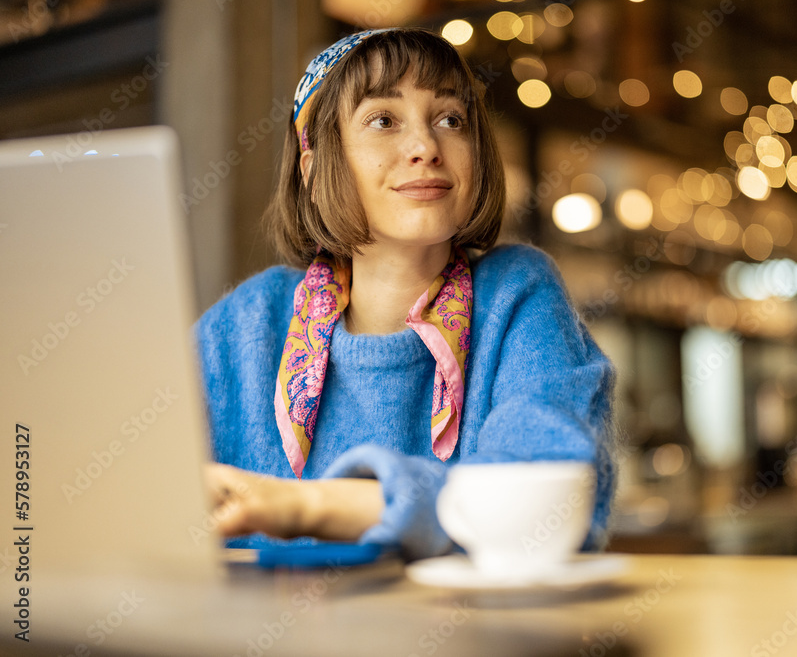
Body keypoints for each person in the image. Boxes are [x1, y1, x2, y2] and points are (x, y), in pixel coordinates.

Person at [195, 28, 616, 560]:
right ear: (313, 167)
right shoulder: (245, 324)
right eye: (383, 121)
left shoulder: (517, 296)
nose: (426, 147)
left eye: (450, 120)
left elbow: (540, 504)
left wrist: (307, 507)